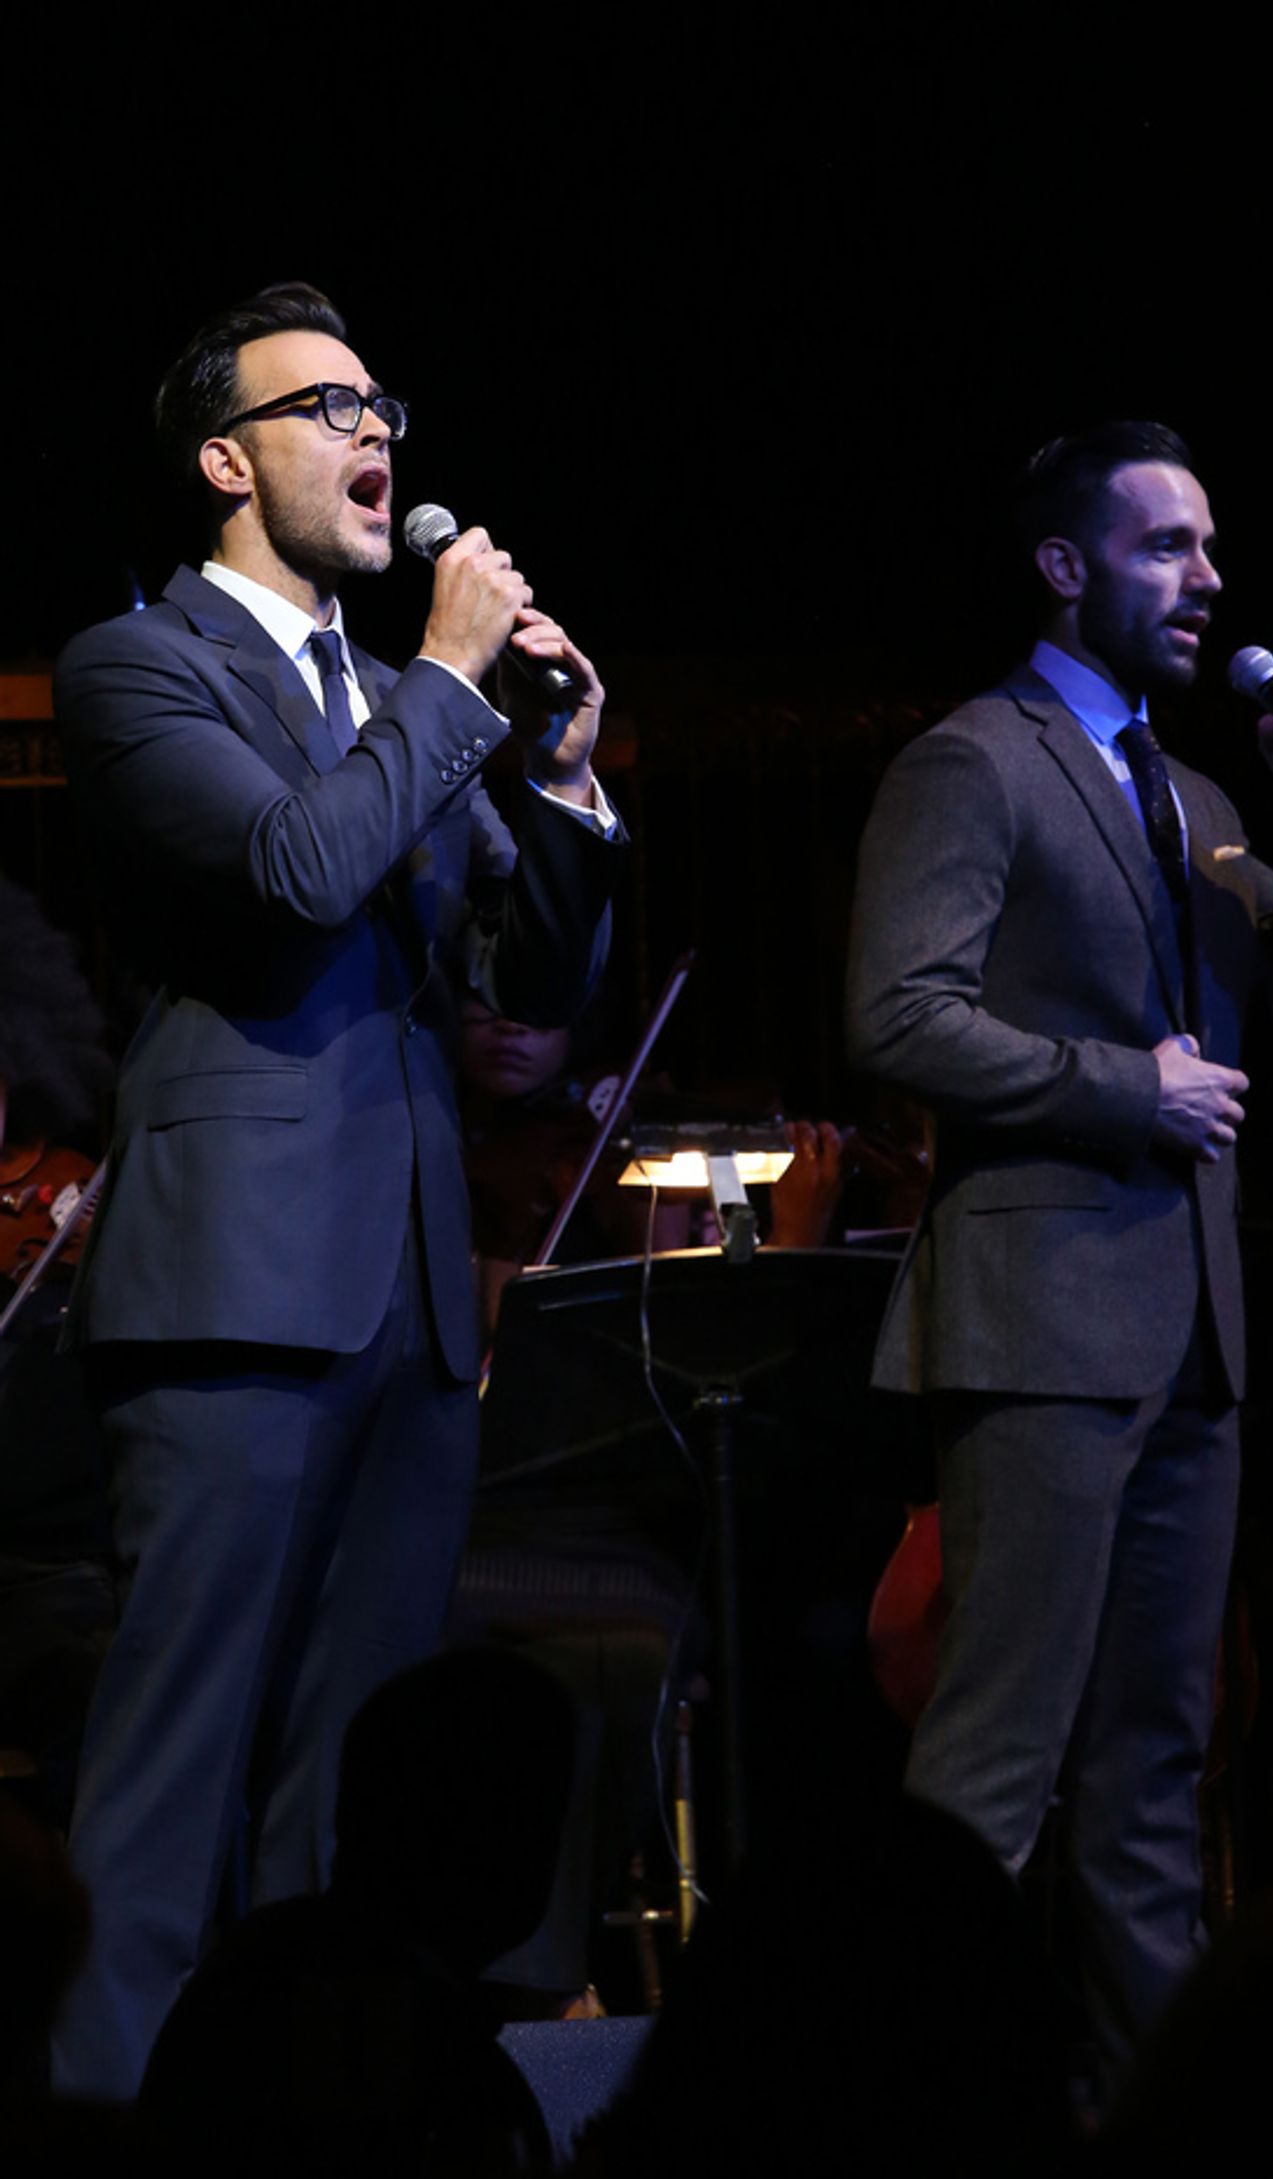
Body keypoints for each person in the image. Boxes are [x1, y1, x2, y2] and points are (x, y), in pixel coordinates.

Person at [48, 282, 623, 2099]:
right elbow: (298, 875)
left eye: (386, 407)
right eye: (328, 407)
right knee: (175, 1778)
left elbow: (530, 982)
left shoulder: (398, 704)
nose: (376, 433)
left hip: (412, 1300)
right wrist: (449, 686)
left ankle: (319, 2122)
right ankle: (103, 2117)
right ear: (227, 462)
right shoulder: (135, 667)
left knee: (349, 1798)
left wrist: (564, 782)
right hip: (234, 1286)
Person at [846, 421, 1273, 2087]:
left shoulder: (1206, 801)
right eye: (1167, 547)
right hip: (1042, 1323)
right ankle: (916, 2102)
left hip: (1195, 1335)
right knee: (993, 1768)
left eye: (1211, 546)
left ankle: (1156, 2119)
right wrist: (1120, 1088)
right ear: (1067, 568)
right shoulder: (974, 762)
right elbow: (895, 1014)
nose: (1207, 578)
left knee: (1157, 1776)